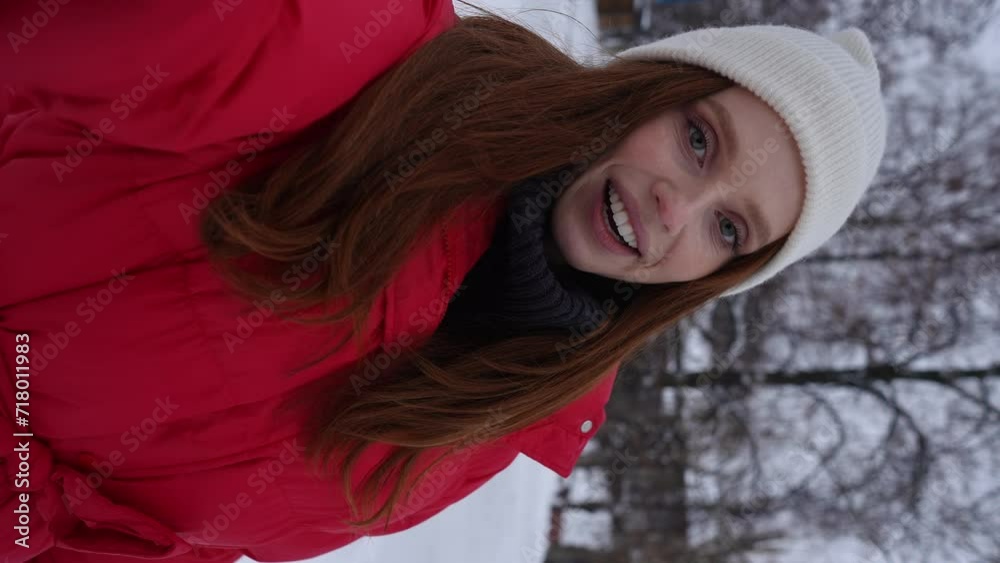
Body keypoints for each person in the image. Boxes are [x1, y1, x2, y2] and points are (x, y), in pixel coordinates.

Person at [0, 0, 886, 560]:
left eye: (729, 229)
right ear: (645, 88)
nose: (677, 207)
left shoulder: (489, 419)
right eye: (699, 139)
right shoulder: (365, 52)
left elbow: (154, 534)